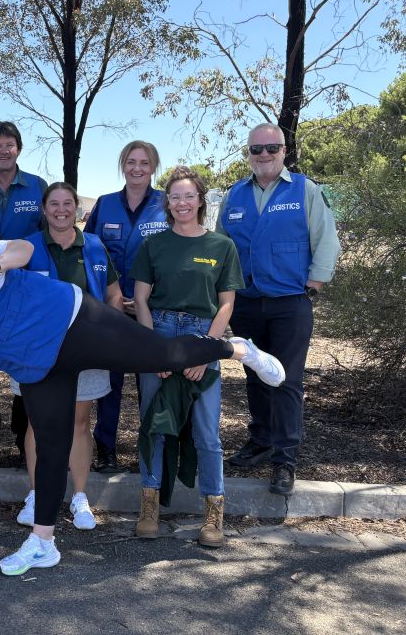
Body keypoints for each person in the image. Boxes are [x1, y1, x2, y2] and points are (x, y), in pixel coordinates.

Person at [0, 237, 284, 575]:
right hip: (38, 366)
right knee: (52, 447)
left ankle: (236, 350)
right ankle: (44, 543)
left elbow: (23, 250)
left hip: (74, 322)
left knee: (164, 355)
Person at [218, 123, 341, 496]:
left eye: (271, 148)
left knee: (286, 380)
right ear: (249, 153)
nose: (264, 155)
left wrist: (313, 285)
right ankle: (261, 439)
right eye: (256, 149)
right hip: (248, 303)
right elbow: (222, 248)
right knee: (256, 374)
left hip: (290, 303)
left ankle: (284, 458)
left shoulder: (305, 190)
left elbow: (327, 240)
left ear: (284, 150)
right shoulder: (234, 195)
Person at [131, 167, 244, 547]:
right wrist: (152, 351)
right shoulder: (154, 245)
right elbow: (142, 300)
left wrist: (206, 351)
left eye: (188, 196)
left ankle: (213, 512)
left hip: (202, 337)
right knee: (154, 424)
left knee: (206, 431)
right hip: (159, 333)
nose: (181, 203)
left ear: (200, 200)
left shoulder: (221, 247)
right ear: (168, 203)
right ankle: (149, 506)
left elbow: (226, 305)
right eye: (174, 197)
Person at [12, 183, 122, 533]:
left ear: (77, 207)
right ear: (43, 209)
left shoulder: (93, 246)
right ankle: (36, 494)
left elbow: (114, 294)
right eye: (54, 204)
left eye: (68, 203)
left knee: (78, 422)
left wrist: (108, 335)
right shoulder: (27, 248)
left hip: (84, 349)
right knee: (36, 423)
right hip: (36, 351)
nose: (61, 210)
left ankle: (78, 496)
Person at [0, 121, 48, 469]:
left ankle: (22, 442)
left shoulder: (37, 188)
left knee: (24, 369)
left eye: (10, 144)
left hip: (24, 294)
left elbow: (47, 238)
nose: (4, 150)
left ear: (19, 148)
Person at [84, 140, 168, 473]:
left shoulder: (167, 204)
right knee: (110, 383)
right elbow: (88, 252)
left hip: (155, 309)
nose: (137, 168)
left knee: (153, 382)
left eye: (144, 163)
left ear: (153, 167)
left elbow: (176, 251)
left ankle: (152, 447)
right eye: (131, 162)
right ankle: (105, 447)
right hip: (113, 311)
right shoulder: (105, 205)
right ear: (123, 165)